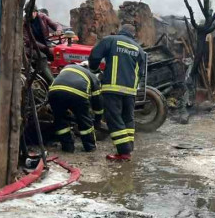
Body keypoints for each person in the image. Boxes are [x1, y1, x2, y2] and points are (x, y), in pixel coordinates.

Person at [88, 24, 147, 162]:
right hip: (131, 91)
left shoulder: (111, 40)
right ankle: (128, 147)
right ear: (133, 35)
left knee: (114, 118)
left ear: (121, 30)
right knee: (128, 118)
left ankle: (123, 152)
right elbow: (141, 73)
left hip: (112, 88)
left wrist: (94, 69)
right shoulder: (139, 49)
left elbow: (94, 56)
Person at [48, 62, 103, 153]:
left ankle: (67, 147)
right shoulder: (93, 77)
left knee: (60, 120)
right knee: (84, 120)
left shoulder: (68, 67)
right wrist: (98, 119)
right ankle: (90, 147)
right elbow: (98, 102)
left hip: (54, 92)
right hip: (77, 94)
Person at [26, 8, 61, 83]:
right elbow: (29, 41)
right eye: (28, 12)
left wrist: (58, 30)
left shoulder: (43, 17)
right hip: (31, 48)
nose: (30, 14)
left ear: (36, 12)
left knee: (58, 56)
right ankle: (52, 83)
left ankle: (59, 75)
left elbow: (56, 25)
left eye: (32, 12)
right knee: (42, 57)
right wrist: (45, 48)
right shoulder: (24, 23)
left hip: (45, 45)